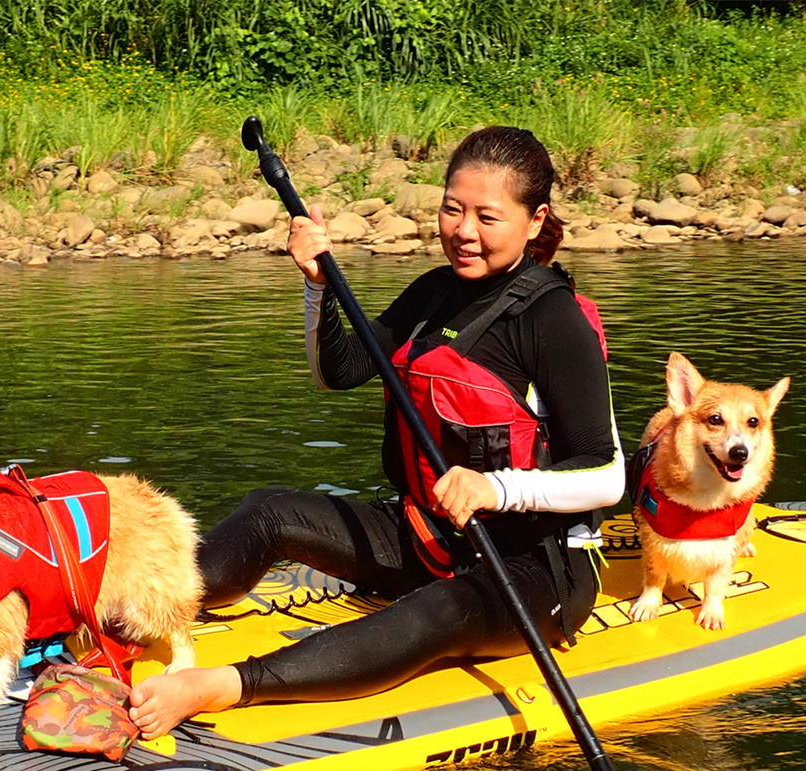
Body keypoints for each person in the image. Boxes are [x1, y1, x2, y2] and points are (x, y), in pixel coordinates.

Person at [129, 125, 625, 739]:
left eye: (487, 217)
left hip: (535, 568)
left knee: (438, 611)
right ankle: (135, 612)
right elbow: (340, 371)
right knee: (269, 512)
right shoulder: (435, 292)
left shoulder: (553, 318)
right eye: (452, 209)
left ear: (534, 219)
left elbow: (607, 476)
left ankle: (220, 687)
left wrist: (497, 489)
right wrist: (318, 288)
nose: (463, 232)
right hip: (428, 536)